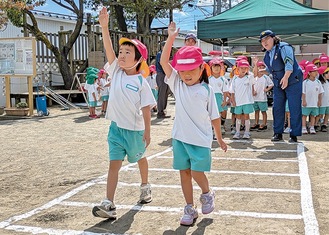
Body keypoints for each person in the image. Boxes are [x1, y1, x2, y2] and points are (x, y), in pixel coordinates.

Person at [160, 22, 227, 226]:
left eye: (191, 69)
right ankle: (189, 208)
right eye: (182, 70)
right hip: (180, 139)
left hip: (200, 140)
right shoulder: (177, 84)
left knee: (198, 173)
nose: (186, 74)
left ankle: (207, 193)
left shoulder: (206, 91)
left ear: (201, 68)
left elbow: (215, 117)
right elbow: (164, 62)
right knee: (184, 174)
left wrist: (220, 138)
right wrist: (171, 38)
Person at [92, 7, 157, 219]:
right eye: (121, 52)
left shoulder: (141, 81)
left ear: (139, 60)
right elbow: (109, 49)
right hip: (116, 130)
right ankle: (109, 203)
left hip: (135, 131)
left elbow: (146, 108)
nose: (121, 55)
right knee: (114, 165)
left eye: (128, 53)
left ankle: (145, 186)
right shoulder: (116, 71)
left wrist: (147, 132)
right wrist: (104, 27)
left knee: (140, 158)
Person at [260, 30, 303, 143]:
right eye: (262, 41)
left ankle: (294, 134)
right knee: (277, 107)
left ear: (273, 38)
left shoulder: (284, 47)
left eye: (267, 39)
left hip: (293, 80)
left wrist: (286, 77)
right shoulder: (267, 55)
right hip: (279, 82)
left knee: (294, 107)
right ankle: (277, 133)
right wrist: (260, 71)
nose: (264, 42)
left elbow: (289, 63)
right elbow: (271, 70)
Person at [230, 60, 255, 139]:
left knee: (246, 116)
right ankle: (237, 132)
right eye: (242, 68)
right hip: (238, 102)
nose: (244, 70)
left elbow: (255, 74)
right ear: (238, 69)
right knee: (238, 116)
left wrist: (255, 64)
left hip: (247, 101)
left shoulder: (249, 77)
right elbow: (232, 91)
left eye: (245, 68)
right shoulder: (234, 78)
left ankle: (247, 132)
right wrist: (233, 100)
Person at [250, 60, 274, 131]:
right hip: (255, 98)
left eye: (262, 67)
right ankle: (256, 123)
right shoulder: (255, 77)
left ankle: (264, 123)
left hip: (262, 98)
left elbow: (271, 84)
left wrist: (267, 89)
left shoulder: (266, 77)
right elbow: (252, 85)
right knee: (256, 111)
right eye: (259, 67)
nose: (260, 68)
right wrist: (253, 91)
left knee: (263, 111)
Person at [208, 58, 229, 135]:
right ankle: (213, 128)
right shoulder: (208, 79)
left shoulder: (223, 79)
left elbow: (225, 91)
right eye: (214, 66)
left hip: (220, 97)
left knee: (221, 112)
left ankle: (221, 126)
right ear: (211, 68)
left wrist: (224, 101)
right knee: (212, 113)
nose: (216, 68)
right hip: (211, 97)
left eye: (218, 66)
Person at [301, 63, 324, 134]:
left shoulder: (318, 82)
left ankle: (312, 127)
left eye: (316, 71)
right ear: (309, 73)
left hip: (315, 102)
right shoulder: (305, 82)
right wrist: (304, 100)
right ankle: (304, 127)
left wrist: (319, 101)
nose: (316, 73)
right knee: (304, 115)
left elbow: (320, 92)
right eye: (314, 71)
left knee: (313, 115)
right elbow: (303, 92)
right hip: (307, 103)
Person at [156, 41, 171, 118]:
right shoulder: (160, 54)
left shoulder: (164, 54)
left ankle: (163, 110)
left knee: (165, 92)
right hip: (161, 74)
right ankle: (160, 112)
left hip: (165, 74)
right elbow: (162, 64)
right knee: (162, 93)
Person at [317, 66, 329, 132]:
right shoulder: (320, 83)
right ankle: (318, 124)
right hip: (322, 101)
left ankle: (324, 124)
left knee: (327, 113)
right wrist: (319, 100)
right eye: (327, 73)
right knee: (320, 114)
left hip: (327, 101)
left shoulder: (328, 82)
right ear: (322, 74)